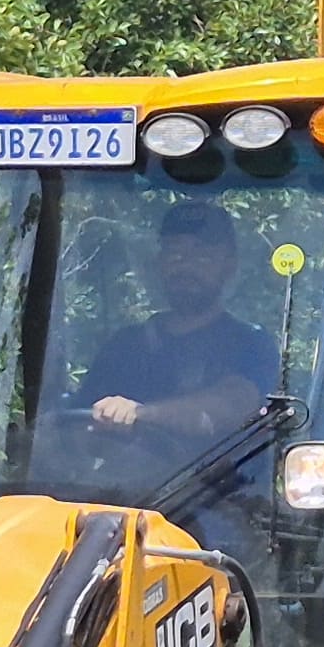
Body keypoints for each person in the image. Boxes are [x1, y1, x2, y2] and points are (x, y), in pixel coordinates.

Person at [61, 202, 279, 480]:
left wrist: (140, 414)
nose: (186, 265)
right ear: (160, 262)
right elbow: (79, 433)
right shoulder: (124, 346)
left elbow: (233, 406)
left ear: (229, 265)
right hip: (120, 496)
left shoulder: (251, 344)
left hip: (220, 497)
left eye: (202, 255)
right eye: (176, 253)